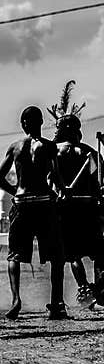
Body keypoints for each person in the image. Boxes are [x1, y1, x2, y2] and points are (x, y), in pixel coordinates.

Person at [0, 106, 67, 321]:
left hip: (22, 203)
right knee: (57, 256)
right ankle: (56, 304)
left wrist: (16, 193)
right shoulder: (48, 146)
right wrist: (61, 191)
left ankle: (16, 299)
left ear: (23, 124)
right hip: (44, 202)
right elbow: (55, 175)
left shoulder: (15, 147)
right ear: (41, 122)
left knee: (14, 255)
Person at [52, 115, 103, 308]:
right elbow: (99, 182)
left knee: (73, 254)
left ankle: (87, 288)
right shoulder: (90, 154)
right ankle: (91, 289)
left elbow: (50, 179)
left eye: (58, 127)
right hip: (88, 207)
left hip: (67, 208)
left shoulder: (55, 153)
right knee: (95, 252)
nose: (55, 131)